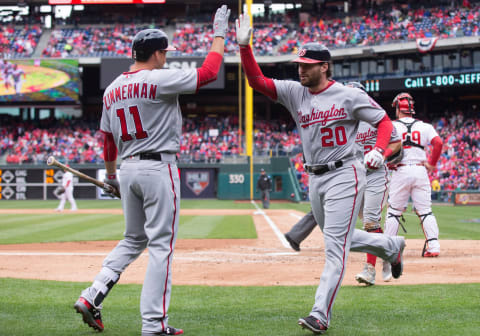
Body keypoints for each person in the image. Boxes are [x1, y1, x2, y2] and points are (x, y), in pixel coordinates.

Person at [236, 14, 405, 335]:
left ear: (324, 67)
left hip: (346, 173)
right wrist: (245, 47)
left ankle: (319, 313)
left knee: (334, 249)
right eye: (299, 64)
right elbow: (257, 81)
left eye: (308, 64)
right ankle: (391, 247)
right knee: (339, 240)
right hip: (316, 177)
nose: (301, 69)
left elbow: (384, 122)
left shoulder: (348, 95)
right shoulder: (294, 92)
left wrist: (380, 152)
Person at [74, 5, 230, 336]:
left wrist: (113, 176)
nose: (166, 58)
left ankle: (91, 296)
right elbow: (209, 73)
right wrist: (219, 35)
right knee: (161, 245)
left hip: (128, 168)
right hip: (158, 167)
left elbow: (107, 143)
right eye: (165, 53)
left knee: (133, 238)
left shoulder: (113, 87)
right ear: (157, 53)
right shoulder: (158, 78)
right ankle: (154, 325)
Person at [284, 82, 403, 287]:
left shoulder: (373, 117)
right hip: (352, 174)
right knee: (335, 225)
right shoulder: (339, 119)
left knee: (370, 221)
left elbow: (396, 142)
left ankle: (370, 269)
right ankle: (389, 251)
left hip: (375, 173)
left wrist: (381, 153)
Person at [383, 92, 443, 259]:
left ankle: (388, 247)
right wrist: (432, 163)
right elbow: (438, 143)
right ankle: (434, 246)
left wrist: (388, 161)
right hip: (420, 169)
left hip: (400, 170)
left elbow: (383, 147)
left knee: (394, 211)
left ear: (397, 108)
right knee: (425, 211)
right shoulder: (424, 126)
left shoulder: (392, 126)